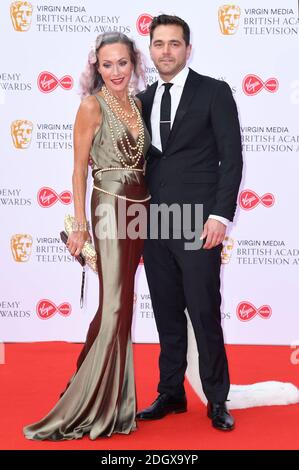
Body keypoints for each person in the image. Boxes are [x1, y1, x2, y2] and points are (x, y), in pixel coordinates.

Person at [23, 32, 150, 441]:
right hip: (110, 206)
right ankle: (89, 403)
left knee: (119, 302)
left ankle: (86, 377)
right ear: (96, 65)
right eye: (107, 64)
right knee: (115, 304)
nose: (115, 71)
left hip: (141, 207)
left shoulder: (136, 103)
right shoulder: (91, 106)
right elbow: (78, 169)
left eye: (123, 63)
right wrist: (78, 225)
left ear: (134, 64)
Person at [136, 15, 243, 431]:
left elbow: (231, 159)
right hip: (154, 222)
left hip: (199, 222)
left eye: (174, 44)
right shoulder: (140, 100)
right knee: (165, 311)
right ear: (151, 48)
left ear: (187, 48)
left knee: (203, 311)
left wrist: (220, 215)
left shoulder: (214, 92)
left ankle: (217, 398)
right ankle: (171, 392)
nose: (166, 51)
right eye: (159, 43)